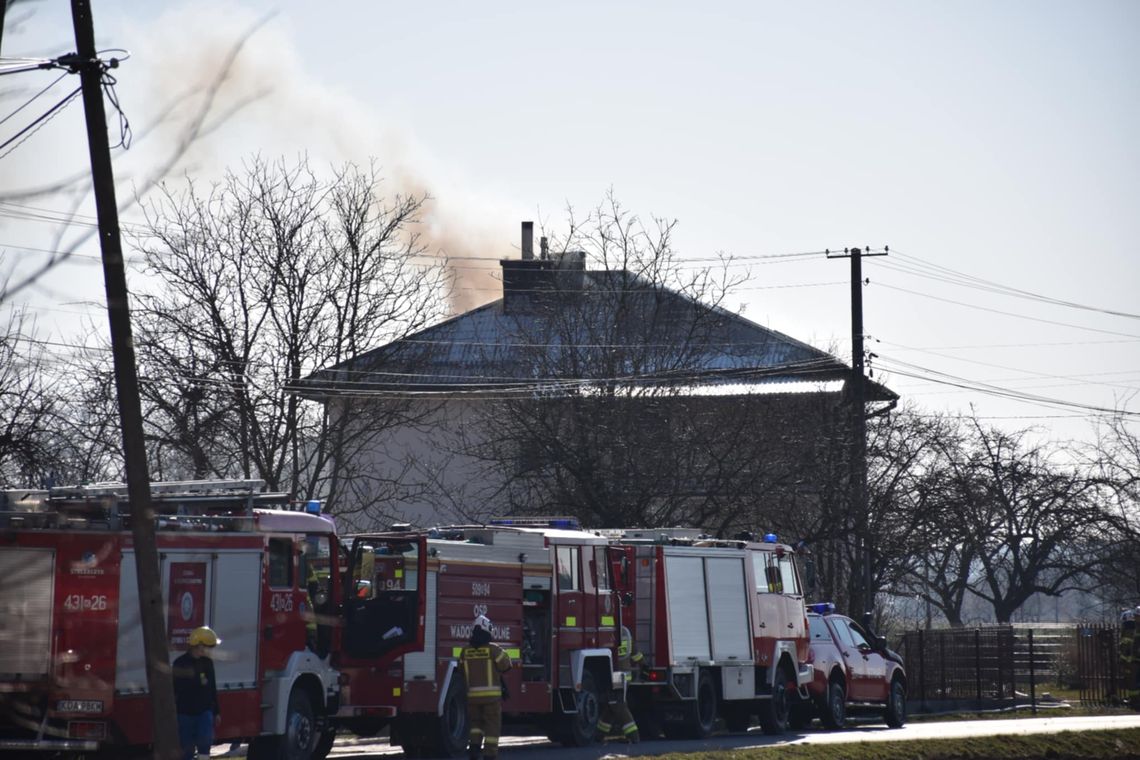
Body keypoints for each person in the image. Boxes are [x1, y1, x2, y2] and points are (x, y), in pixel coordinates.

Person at [459, 615, 513, 760]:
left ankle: (474, 749)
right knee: (491, 726)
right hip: (492, 698)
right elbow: (507, 666)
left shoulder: (465, 651)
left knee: (475, 725)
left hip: (472, 698)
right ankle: (490, 754)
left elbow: (461, 671)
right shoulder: (493, 650)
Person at [173, 626, 222, 760]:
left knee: (205, 744)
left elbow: (212, 687)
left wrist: (216, 712)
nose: (210, 650)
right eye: (208, 646)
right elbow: (174, 690)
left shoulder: (207, 663)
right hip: (184, 713)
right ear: (199, 646)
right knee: (186, 749)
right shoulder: (180, 663)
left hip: (204, 712)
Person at [596, 626, 644, 744]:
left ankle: (634, 736)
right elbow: (635, 654)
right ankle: (599, 735)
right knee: (611, 707)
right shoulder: (625, 633)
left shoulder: (605, 633)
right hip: (622, 675)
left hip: (616, 675)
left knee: (618, 705)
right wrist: (644, 665)